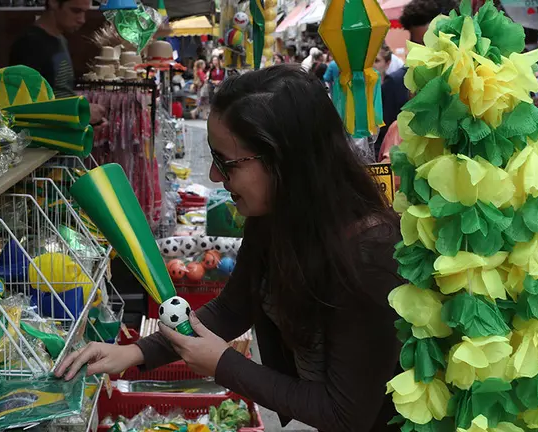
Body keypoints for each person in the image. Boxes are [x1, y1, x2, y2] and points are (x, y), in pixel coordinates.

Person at [55, 65, 403, 432]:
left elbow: (344, 414)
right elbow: (234, 307)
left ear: (283, 160)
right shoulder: (274, 217)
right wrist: (135, 352)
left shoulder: (372, 253)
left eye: (226, 162)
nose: (214, 176)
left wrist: (222, 364)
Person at [377, 0, 457, 158]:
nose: (422, 54)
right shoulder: (396, 84)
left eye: (430, 46)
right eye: (416, 46)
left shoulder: (469, 83)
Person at [9, 0, 105, 124]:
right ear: (53, 3)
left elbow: (61, 92)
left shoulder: (60, 39)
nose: (82, 20)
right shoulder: (30, 45)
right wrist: (80, 113)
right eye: (75, 11)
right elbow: (26, 107)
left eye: (84, 12)